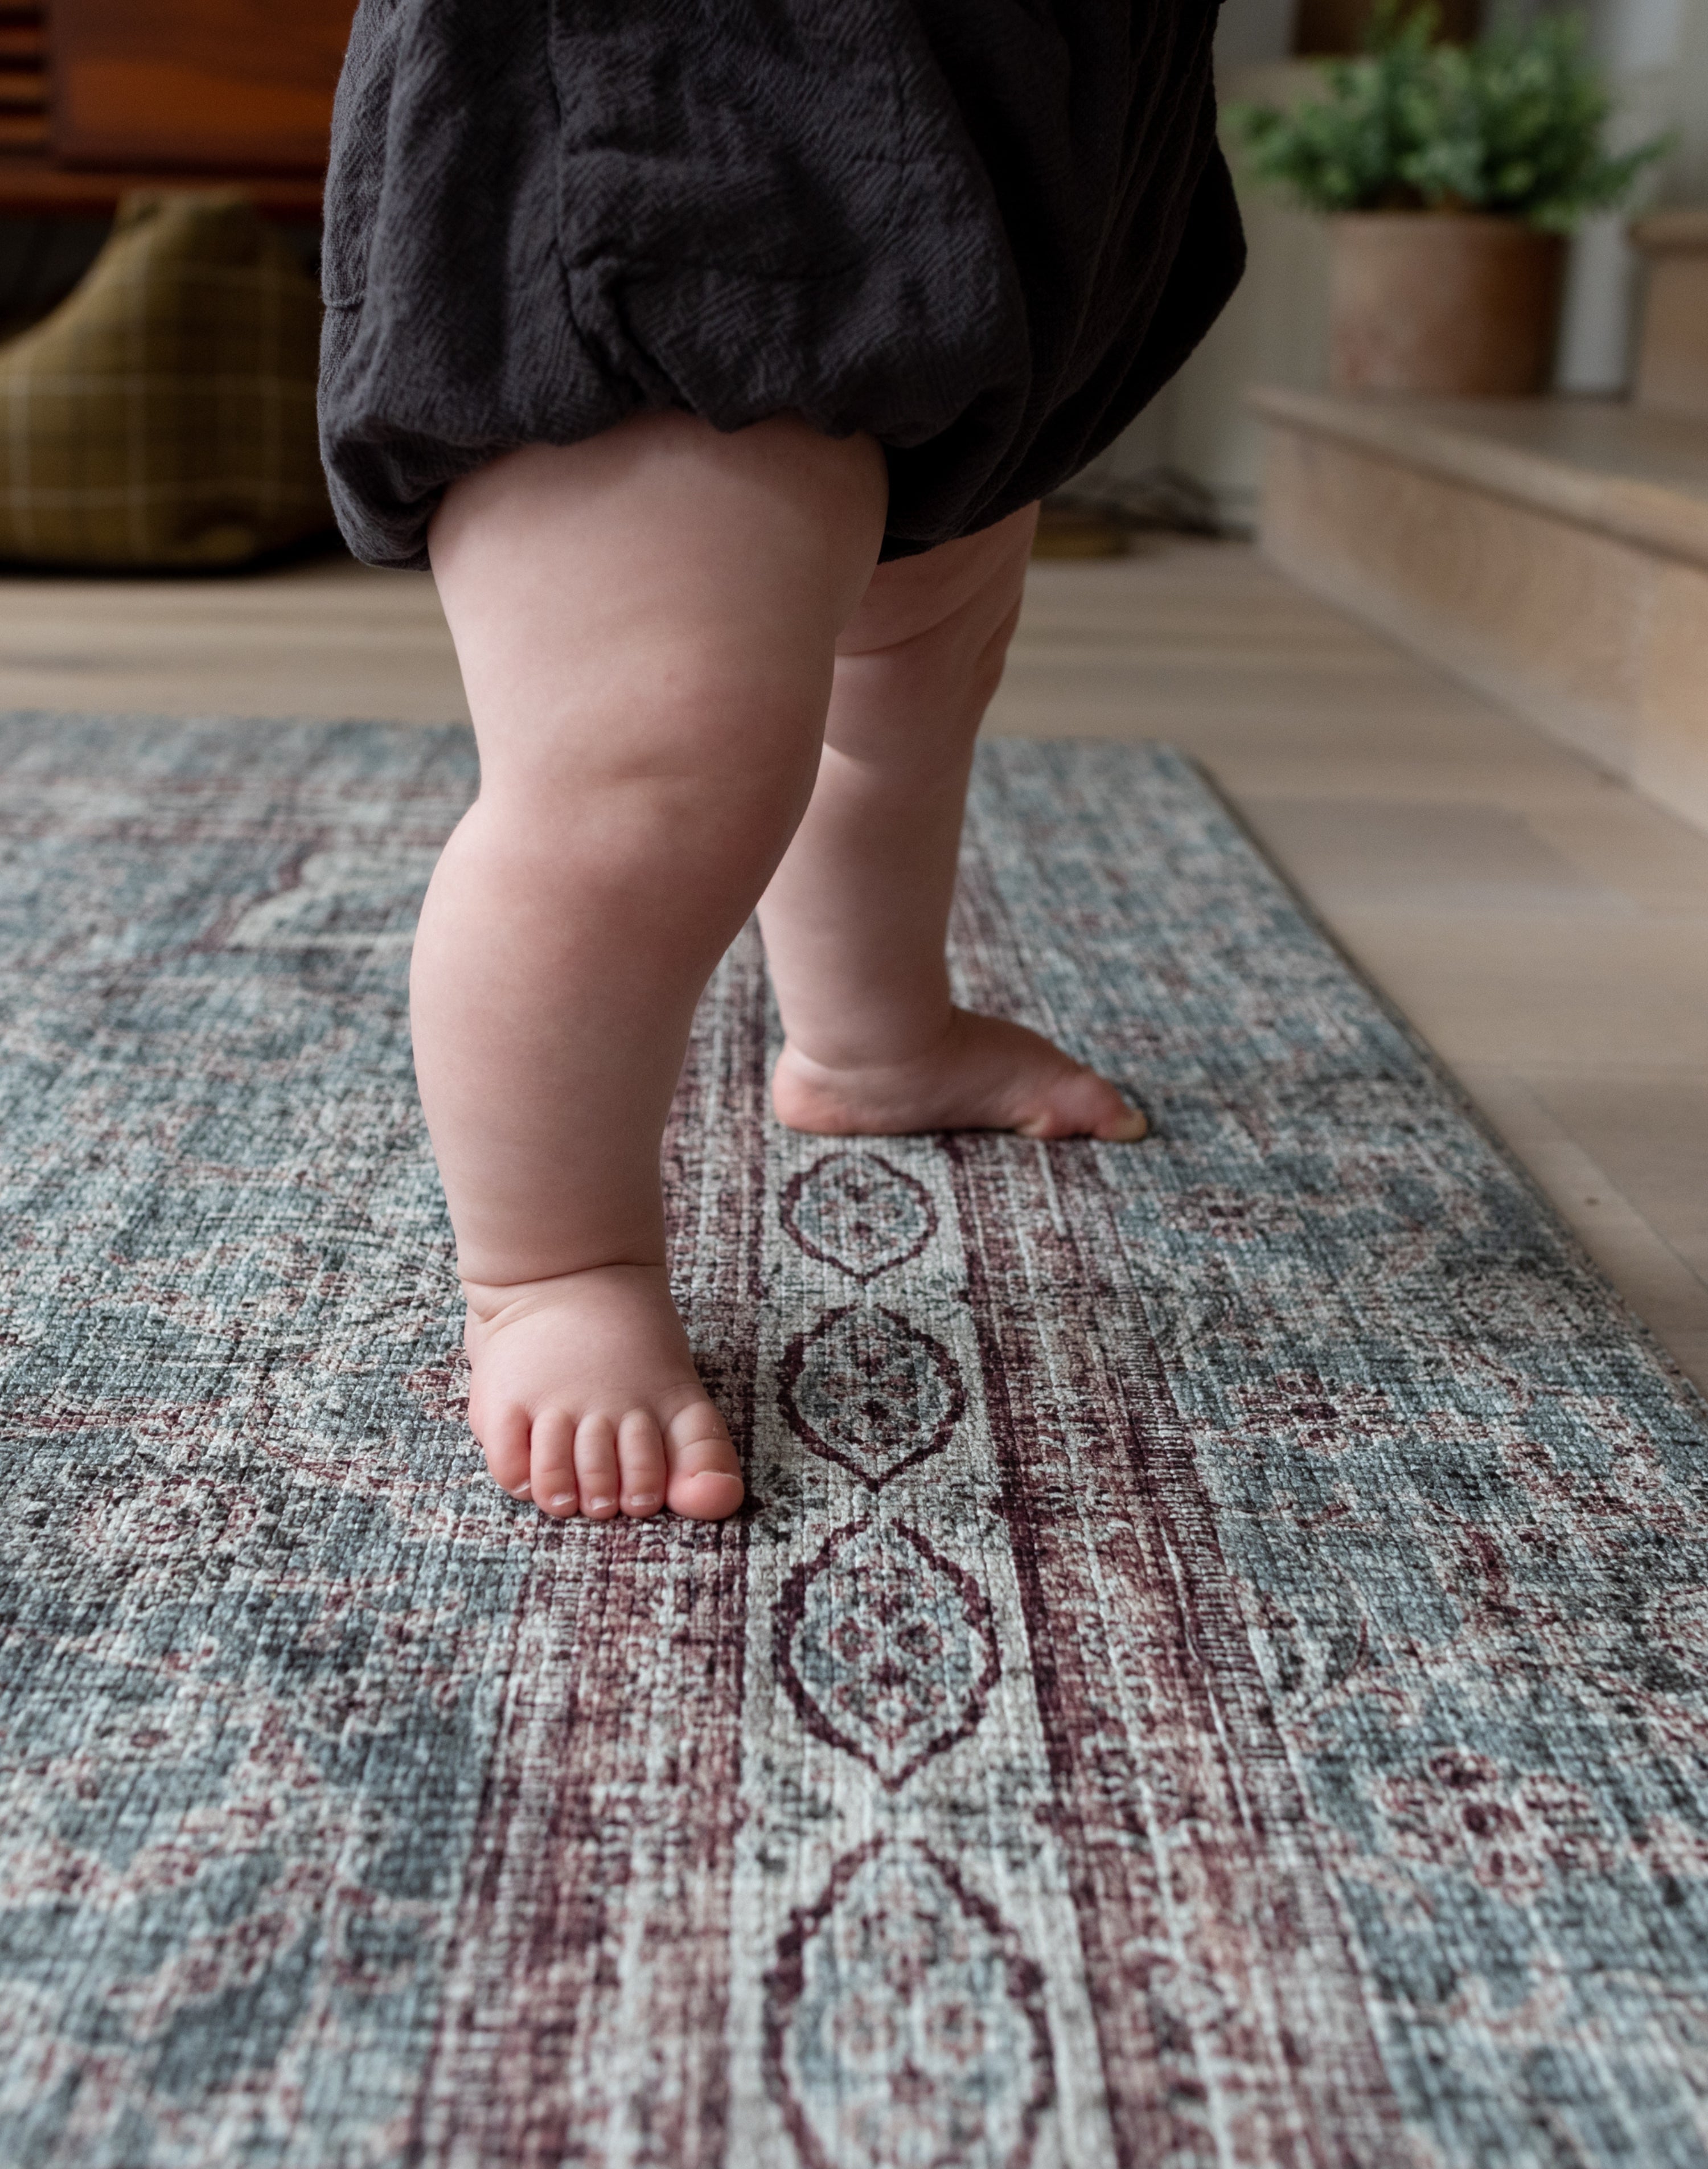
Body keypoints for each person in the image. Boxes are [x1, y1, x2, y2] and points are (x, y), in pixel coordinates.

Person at [318, 0, 1245, 1527]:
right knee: (652, 769)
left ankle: (875, 1040)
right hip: (694, 104)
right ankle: (552, 1267)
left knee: (913, 655)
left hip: (1008, 135)